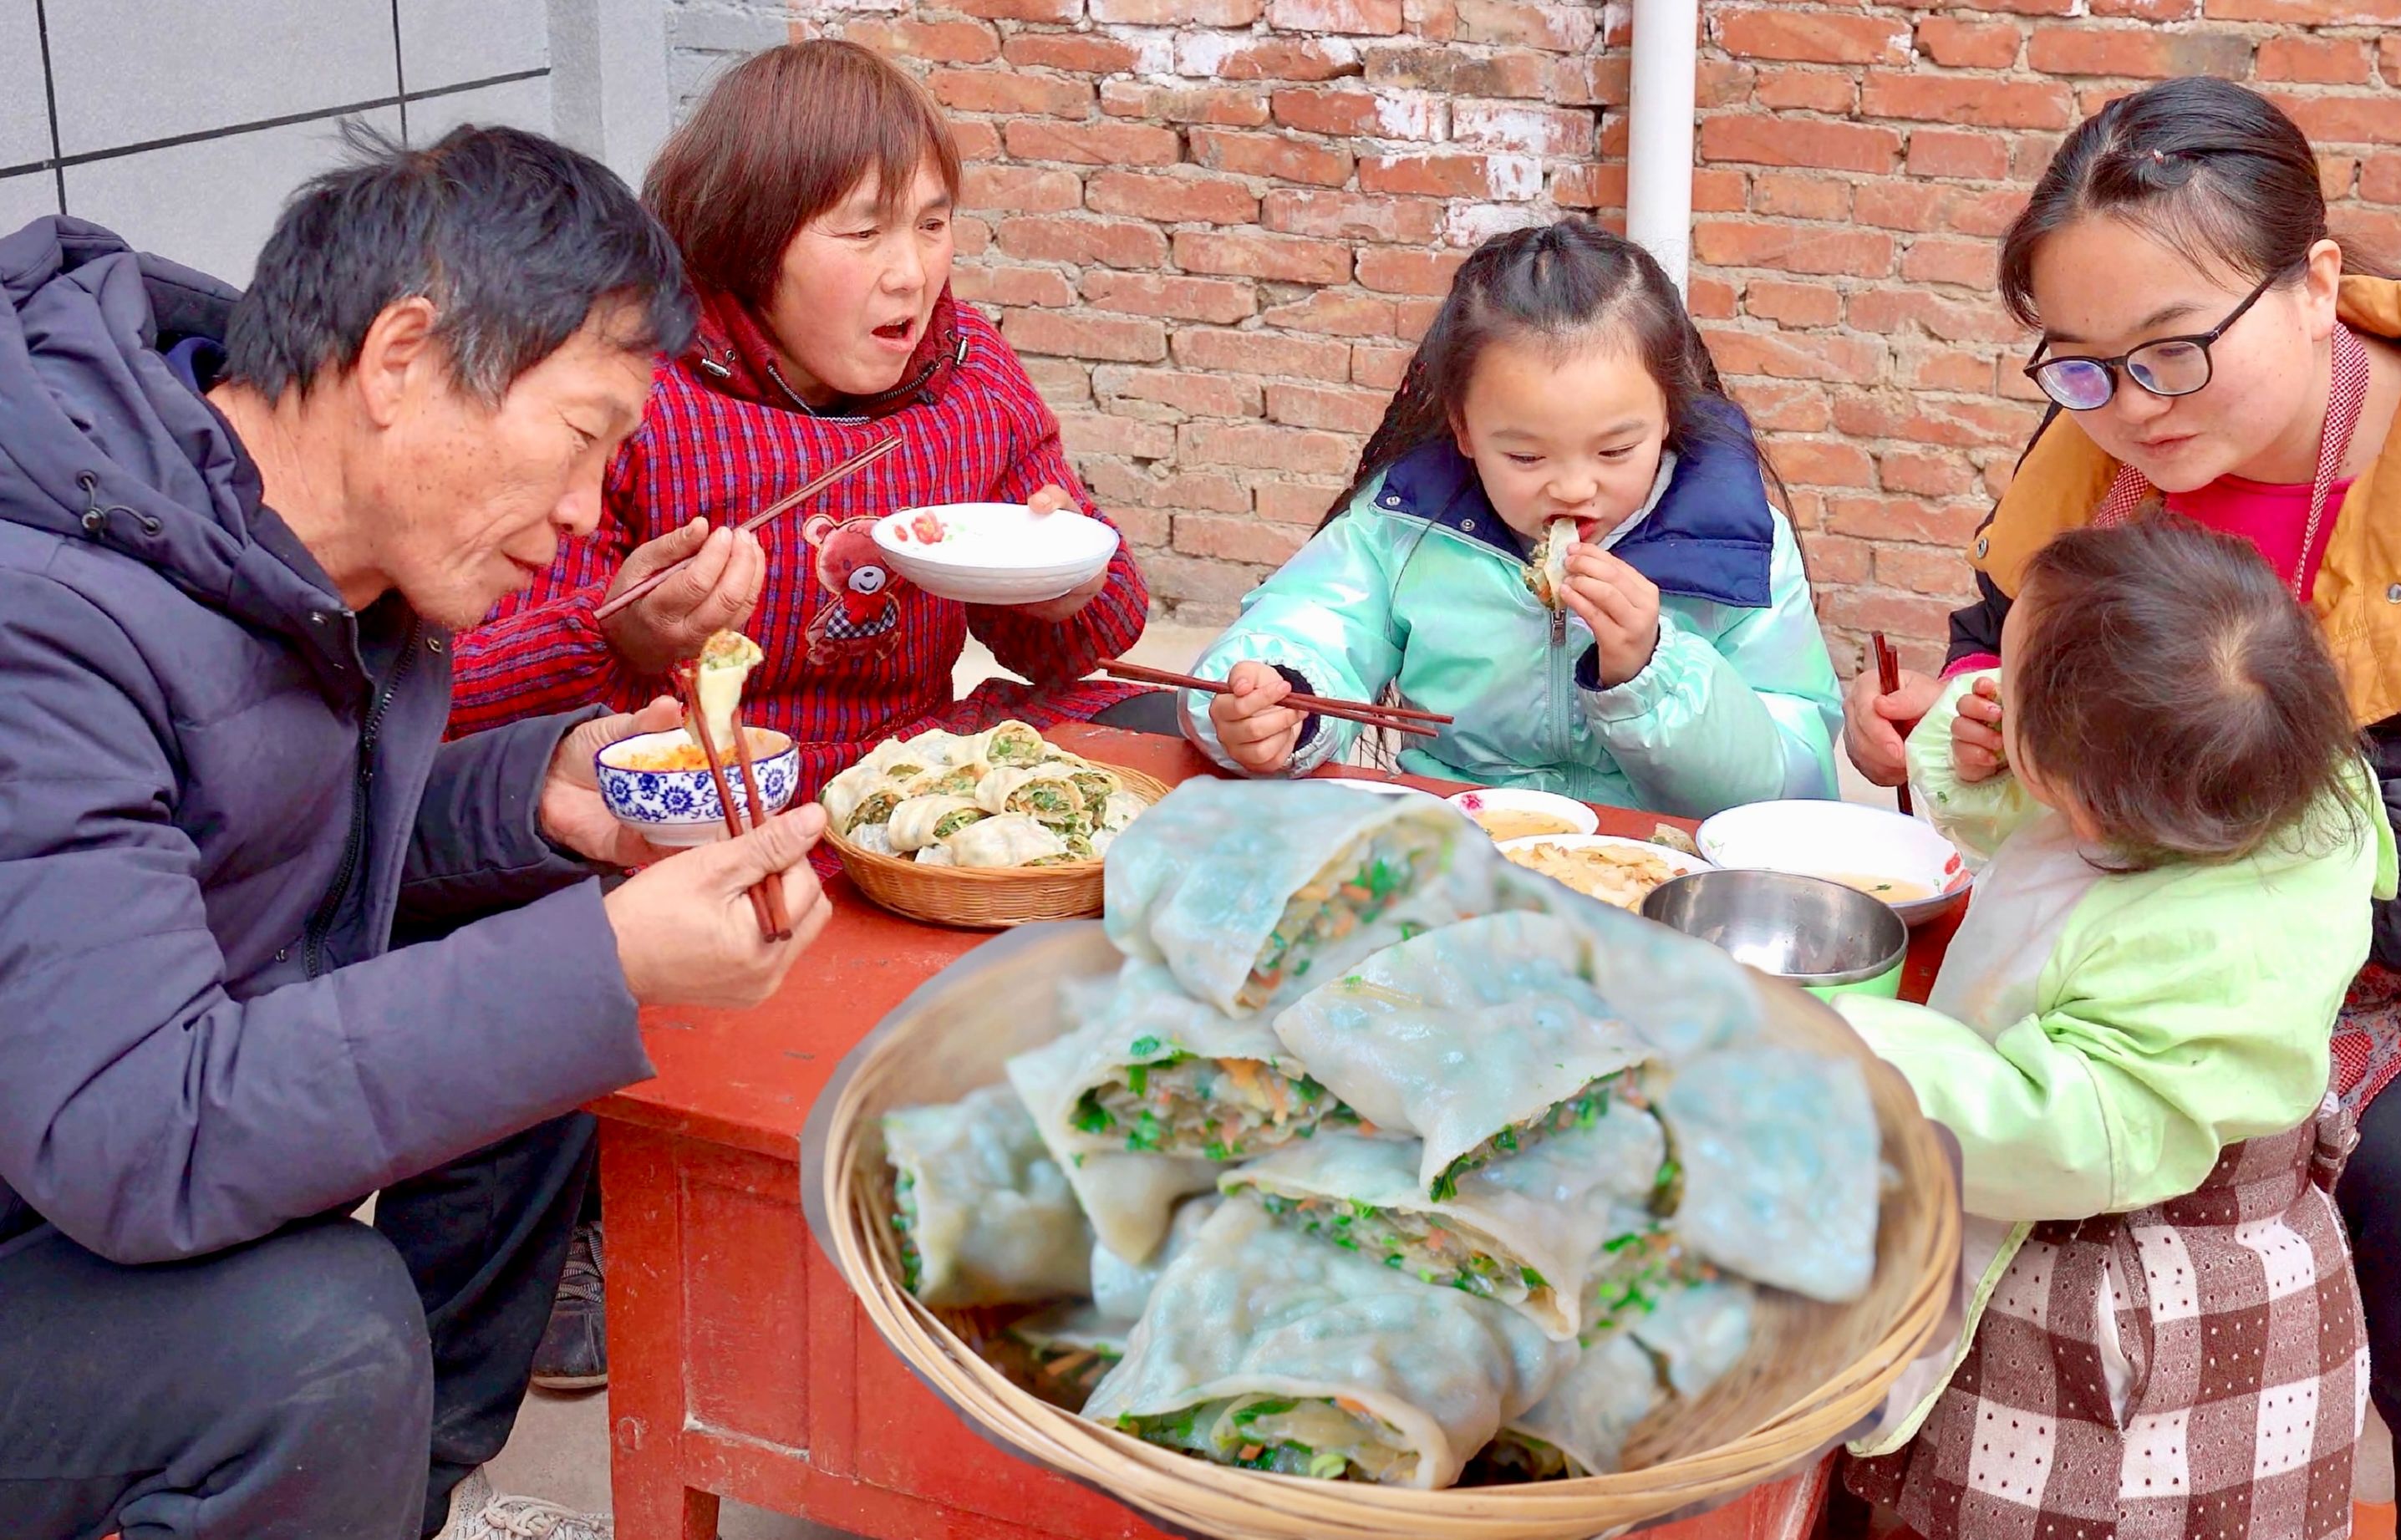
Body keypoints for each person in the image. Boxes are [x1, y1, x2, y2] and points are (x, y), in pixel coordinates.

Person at [0, 128, 833, 1540]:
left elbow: (248, 847)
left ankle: (393, 1502)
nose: (584, 513)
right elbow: (137, 1129)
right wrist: (605, 960)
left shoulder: (326, 562)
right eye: (583, 439)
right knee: (314, 1339)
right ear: (401, 359)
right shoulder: (46, 618)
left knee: (540, 1035)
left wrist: (535, 796)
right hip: (68, 1191)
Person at [1839, 78, 2401, 1532]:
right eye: (2078, 365)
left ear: (2312, 284)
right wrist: (1968, 714)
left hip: (2400, 951)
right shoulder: (2096, 458)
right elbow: (2008, 637)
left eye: (2174, 353)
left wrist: (2267, 819)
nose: (2131, 410)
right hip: (2113, 894)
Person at [1837, 516, 2386, 1536]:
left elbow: (2060, 1129)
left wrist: (1852, 1047)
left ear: (2088, 802)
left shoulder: (2193, 959)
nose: (1984, 680)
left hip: (2114, 1288)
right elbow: (2063, 821)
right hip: (2111, 1204)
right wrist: (1992, 749)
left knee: (2079, 1506)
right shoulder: (2250, 780)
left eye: (2009, 675)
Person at [448, 38, 1160, 784]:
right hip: (710, 791)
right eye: (863, 232)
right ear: (748, 238)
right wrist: (621, 637)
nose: (911, 276)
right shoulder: (634, 395)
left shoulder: (970, 376)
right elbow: (478, 709)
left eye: (931, 225)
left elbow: (1085, 647)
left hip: (917, 773)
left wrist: (1069, 590)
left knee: (1174, 744)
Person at [1184, 218, 1839, 816]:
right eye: (1526, 455)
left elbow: (1794, 784)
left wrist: (1654, 672)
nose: (1575, 488)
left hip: (1656, 865)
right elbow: (1314, 621)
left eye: (1616, 449)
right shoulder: (1406, 525)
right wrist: (1277, 700)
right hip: (1455, 843)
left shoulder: (1739, 546)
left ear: (1669, 413)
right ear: (1463, 429)